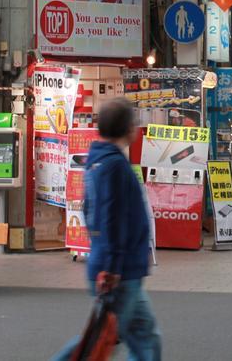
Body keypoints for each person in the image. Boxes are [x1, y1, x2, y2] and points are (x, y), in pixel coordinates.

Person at [54, 99, 161, 361]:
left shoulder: (97, 161)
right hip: (119, 273)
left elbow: (92, 211)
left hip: (119, 267)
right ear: (127, 128)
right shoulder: (114, 166)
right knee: (102, 338)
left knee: (143, 334)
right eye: (134, 122)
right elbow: (110, 218)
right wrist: (112, 266)